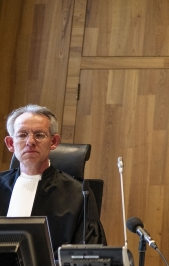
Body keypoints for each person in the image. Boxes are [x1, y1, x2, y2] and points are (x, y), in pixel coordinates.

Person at [0, 105, 106, 253]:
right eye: (22, 135)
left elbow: (90, 257)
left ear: (54, 142)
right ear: (11, 144)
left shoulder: (78, 194)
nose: (30, 141)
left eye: (39, 135)